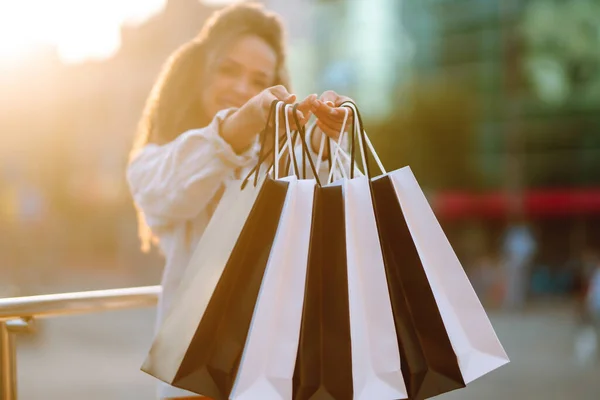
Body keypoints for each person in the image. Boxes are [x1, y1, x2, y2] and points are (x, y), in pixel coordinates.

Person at [127, 3, 353, 399]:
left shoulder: (285, 161)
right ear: (200, 71)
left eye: (258, 80)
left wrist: (323, 148)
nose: (241, 89)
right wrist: (242, 125)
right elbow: (168, 195)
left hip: (289, 376)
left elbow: (336, 233)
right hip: (196, 383)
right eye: (228, 70)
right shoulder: (160, 160)